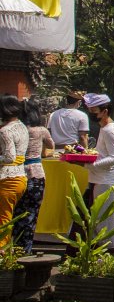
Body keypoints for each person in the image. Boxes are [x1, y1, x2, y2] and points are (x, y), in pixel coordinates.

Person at [13, 99, 53, 253]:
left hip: (17, 174)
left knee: (16, 214)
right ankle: (26, 250)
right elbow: (51, 146)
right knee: (31, 214)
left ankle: (14, 248)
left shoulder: (15, 129)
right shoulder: (41, 130)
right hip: (36, 174)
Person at [83, 93, 114, 239]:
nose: (91, 115)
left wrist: (89, 164)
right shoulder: (104, 128)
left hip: (107, 180)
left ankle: (108, 254)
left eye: (94, 112)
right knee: (97, 220)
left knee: (106, 222)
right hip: (99, 179)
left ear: (105, 111)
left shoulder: (110, 130)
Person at [0, 95, 29, 248]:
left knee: (4, 218)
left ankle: (2, 252)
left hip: (8, 178)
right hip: (20, 177)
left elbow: (9, 157)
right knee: (7, 217)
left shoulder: (5, 130)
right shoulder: (22, 126)